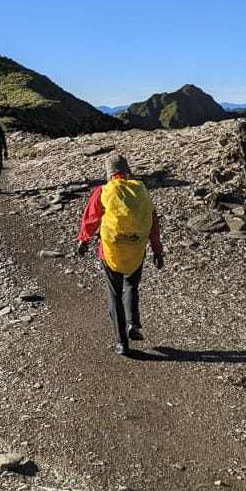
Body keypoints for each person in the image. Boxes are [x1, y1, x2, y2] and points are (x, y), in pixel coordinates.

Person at [76, 153, 164, 356]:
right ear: (127, 171)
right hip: (136, 248)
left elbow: (91, 217)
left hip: (110, 250)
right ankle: (134, 324)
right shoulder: (141, 190)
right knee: (132, 285)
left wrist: (83, 239)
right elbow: (153, 222)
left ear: (109, 173)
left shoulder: (104, 190)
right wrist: (157, 250)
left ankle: (121, 342)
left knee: (114, 293)